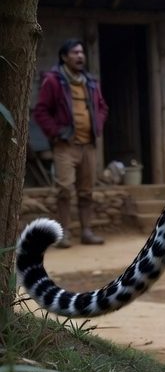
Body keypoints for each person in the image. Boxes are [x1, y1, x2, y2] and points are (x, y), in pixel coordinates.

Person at [33, 39, 109, 247]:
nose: (80, 56)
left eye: (82, 52)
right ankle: (63, 233)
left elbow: (102, 107)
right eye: (75, 53)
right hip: (65, 146)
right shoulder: (53, 80)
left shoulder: (91, 82)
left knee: (86, 191)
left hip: (88, 145)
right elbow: (40, 111)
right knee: (64, 189)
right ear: (64, 57)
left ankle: (86, 231)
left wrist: (98, 125)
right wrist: (56, 133)